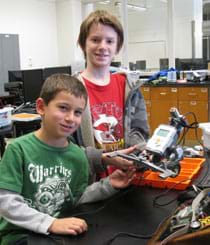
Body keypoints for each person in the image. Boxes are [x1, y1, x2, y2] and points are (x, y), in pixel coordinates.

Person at [0, 74, 136, 245]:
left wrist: (109, 185)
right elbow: (6, 203)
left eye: (78, 112)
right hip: (21, 235)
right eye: (63, 108)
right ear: (41, 107)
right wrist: (51, 223)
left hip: (58, 232)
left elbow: (76, 198)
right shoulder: (18, 150)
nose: (71, 118)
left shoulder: (77, 156)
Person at [75, 10, 149, 175]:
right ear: (83, 44)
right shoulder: (71, 89)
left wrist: (141, 154)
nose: (103, 47)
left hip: (129, 177)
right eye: (95, 40)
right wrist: (101, 159)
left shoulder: (129, 87)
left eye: (109, 41)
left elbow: (139, 132)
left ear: (117, 47)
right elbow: (64, 146)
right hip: (90, 183)